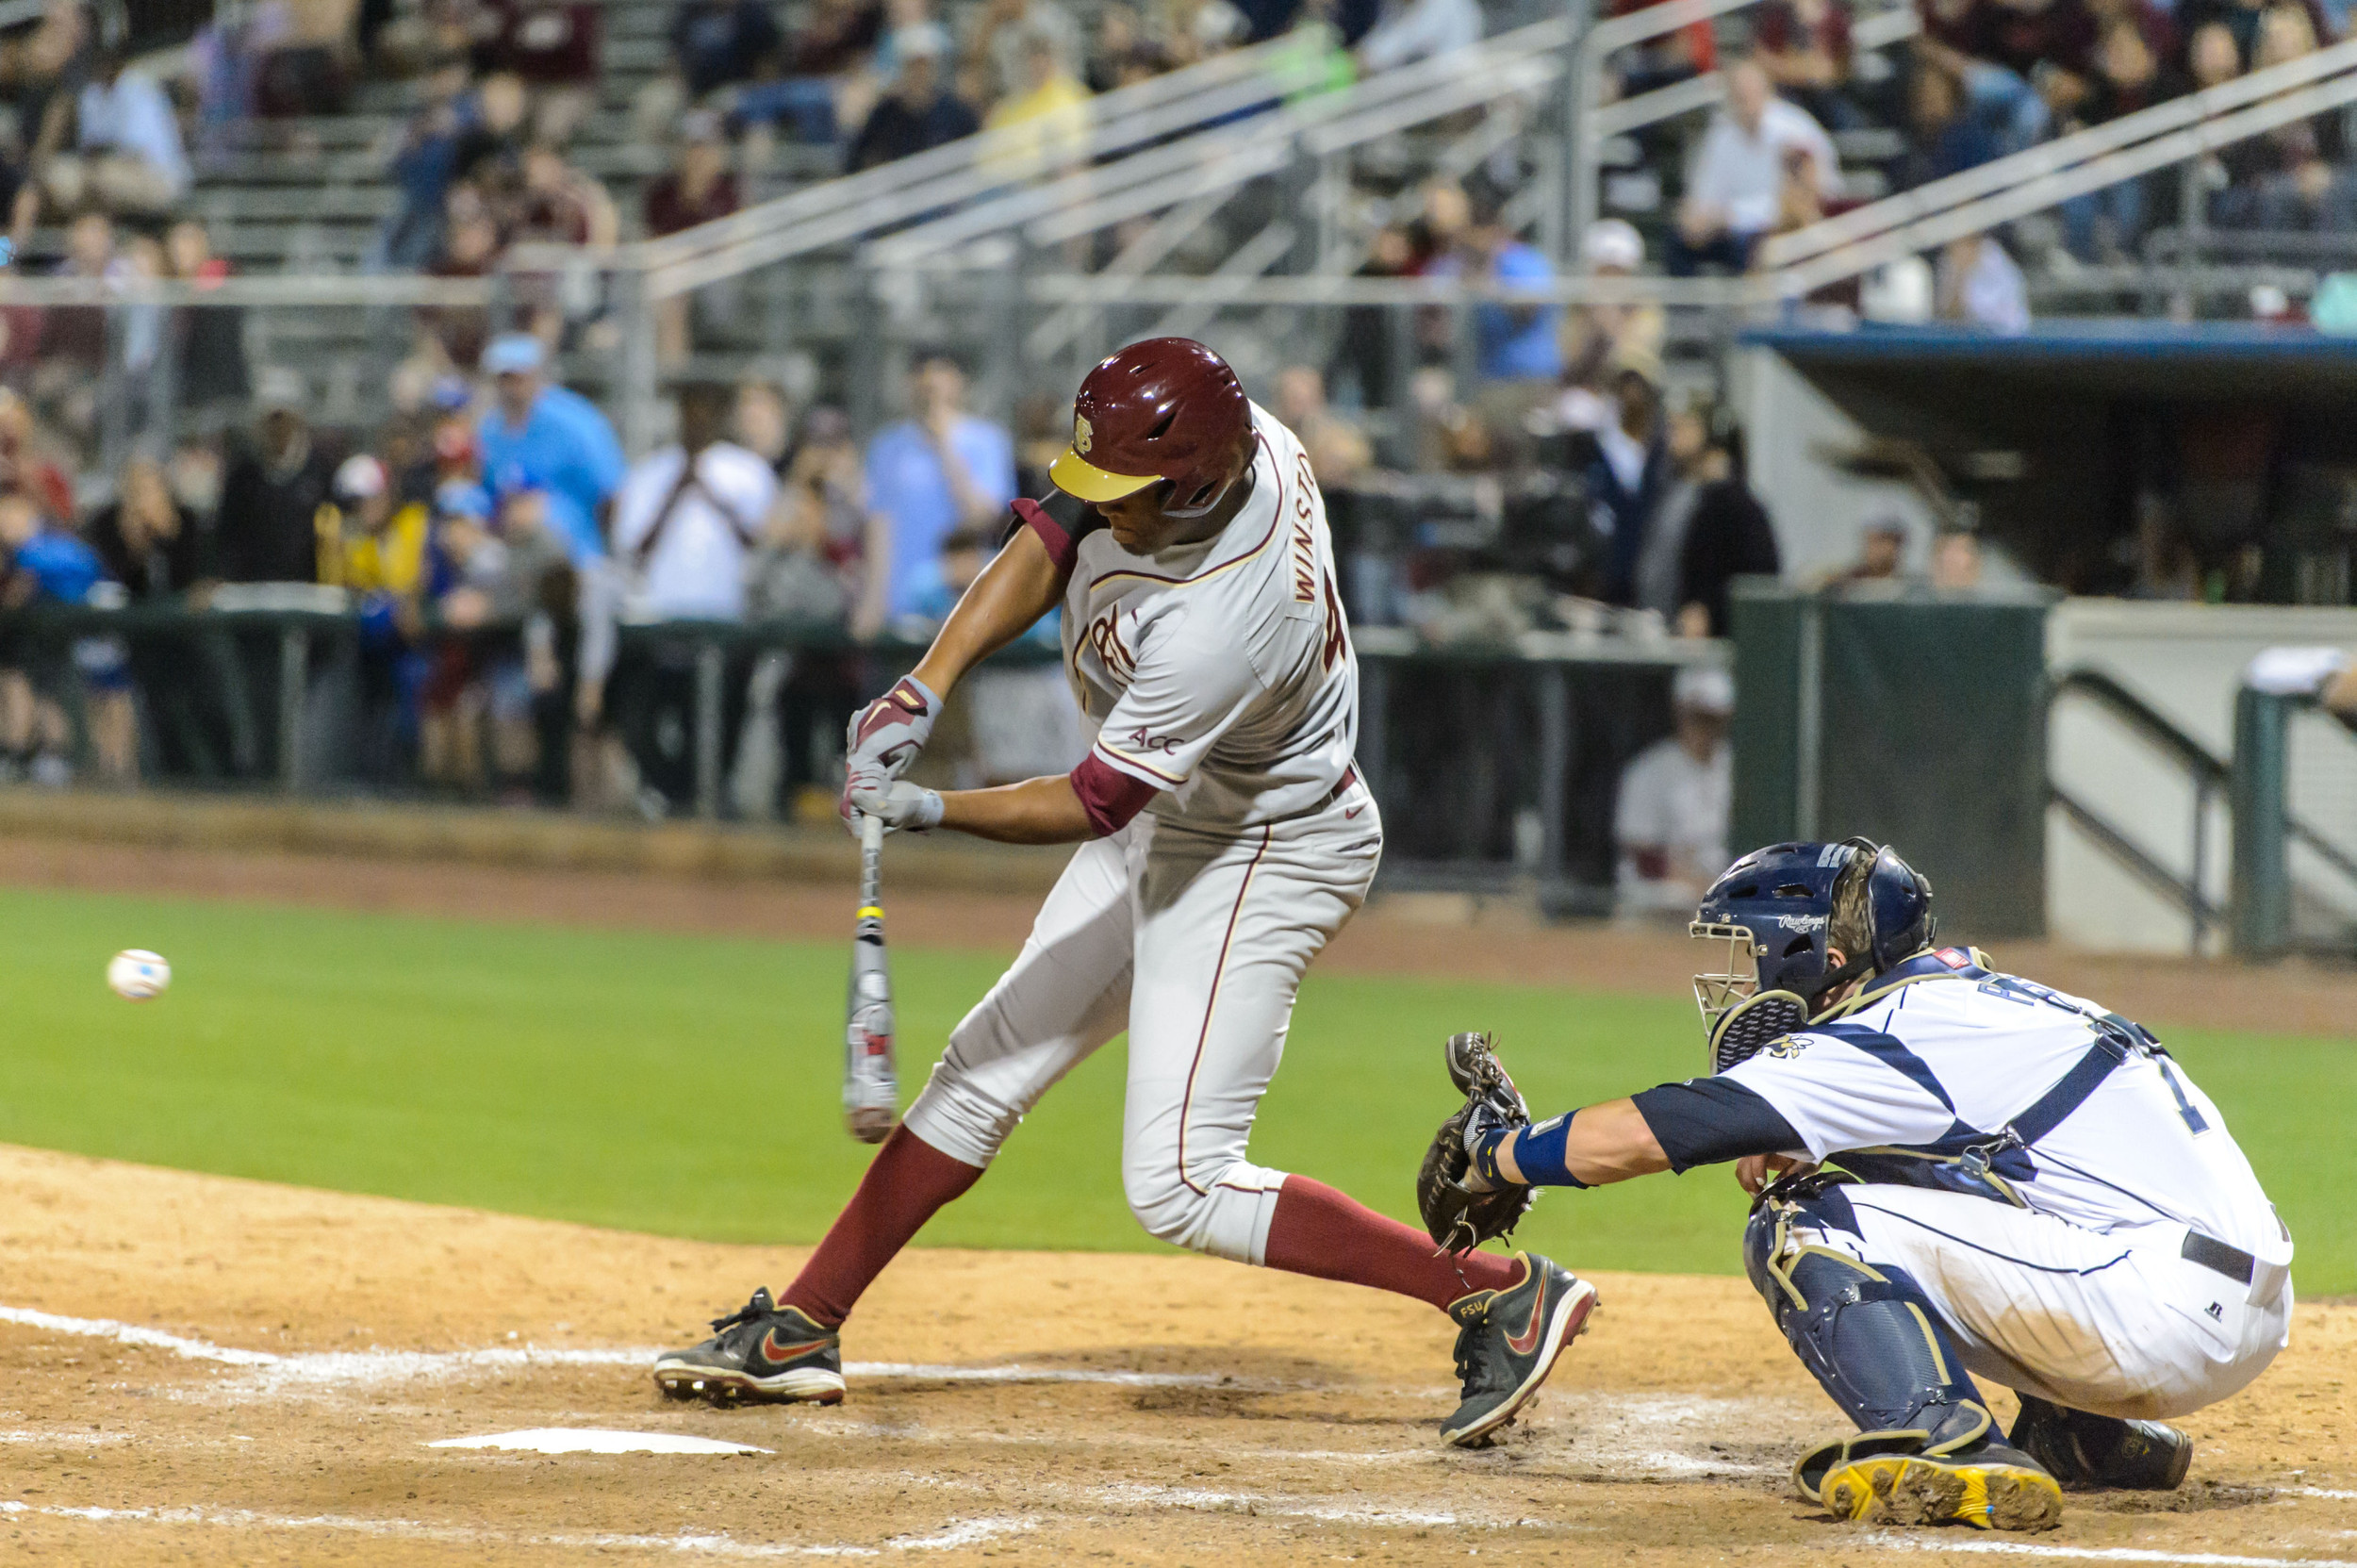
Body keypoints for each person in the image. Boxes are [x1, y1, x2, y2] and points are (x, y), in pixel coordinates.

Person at [651, 338, 1596, 1445]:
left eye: (1130, 493)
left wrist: (931, 810)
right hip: (1181, 811)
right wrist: (924, 684)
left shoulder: (1225, 620)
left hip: (1263, 845)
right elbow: (1053, 524)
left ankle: (1501, 1291)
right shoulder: (1230, 451)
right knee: (980, 1068)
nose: (1105, 504)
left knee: (1180, 1182)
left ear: (1198, 482)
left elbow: (1099, 799)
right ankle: (806, 1325)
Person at [1430, 838, 2291, 1529]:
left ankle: (1946, 1440)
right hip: (2222, 1298)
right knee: (1885, 1185)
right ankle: (2081, 1433)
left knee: (1804, 1219)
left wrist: (1497, 1152)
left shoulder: (1883, 1031)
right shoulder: (1962, 996)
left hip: (2154, 1310)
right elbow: (1986, 1166)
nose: (1744, 972)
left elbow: (1659, 1132)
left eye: (1753, 947)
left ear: (1821, 952)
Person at [860, 352, 1014, 636]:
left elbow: (985, 517)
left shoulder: (987, 440)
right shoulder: (887, 446)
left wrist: (944, 444)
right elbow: (879, 524)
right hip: (902, 611)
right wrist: (872, 600)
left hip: (963, 607)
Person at [1671, 57, 1841, 275]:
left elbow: (1815, 194)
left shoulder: (1795, 131)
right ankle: (1686, 309)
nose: (1745, 101)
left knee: (1754, 244)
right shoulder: (1720, 137)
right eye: (1739, 94)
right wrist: (1697, 218)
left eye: (1749, 93)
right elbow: (1704, 196)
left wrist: (1734, 215)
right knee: (1678, 240)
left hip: (1781, 225)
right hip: (1729, 229)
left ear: (1766, 91)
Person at [475, 332, 626, 566]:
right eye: (504, 379)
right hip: (514, 560)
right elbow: (489, 494)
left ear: (536, 376)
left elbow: (612, 493)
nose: (510, 388)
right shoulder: (490, 430)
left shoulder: (575, 424)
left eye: (518, 378)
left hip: (576, 558)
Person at [1613, 665, 1733, 909]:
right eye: (1696, 717)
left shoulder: (1735, 768)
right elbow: (1644, 857)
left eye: (1711, 719)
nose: (1704, 729)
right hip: (1662, 899)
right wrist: (1700, 884)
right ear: (1679, 713)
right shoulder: (1648, 770)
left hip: (1724, 893)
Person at [217, 371, 338, 585]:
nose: (277, 427)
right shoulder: (243, 477)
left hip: (309, 593)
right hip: (255, 595)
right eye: (271, 418)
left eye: (282, 418)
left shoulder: (321, 472)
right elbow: (229, 538)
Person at [847, 30, 979, 171]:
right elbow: (858, 157)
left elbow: (973, 153)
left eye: (924, 65)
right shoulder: (885, 113)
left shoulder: (956, 112)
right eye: (912, 66)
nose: (919, 73)